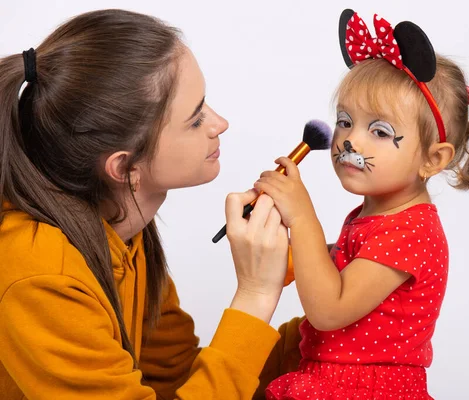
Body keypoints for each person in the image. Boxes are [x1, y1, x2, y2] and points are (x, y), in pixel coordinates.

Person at [0, 9, 291, 399]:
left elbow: (179, 377)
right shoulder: (43, 277)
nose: (219, 123)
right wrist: (256, 295)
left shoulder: (124, 228)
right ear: (125, 167)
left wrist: (341, 328)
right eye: (194, 118)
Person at [253, 10, 469, 399]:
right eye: (344, 121)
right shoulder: (377, 215)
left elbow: (329, 309)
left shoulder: (411, 232)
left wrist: (302, 216)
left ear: (433, 159)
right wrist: (288, 254)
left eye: (379, 131)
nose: (350, 141)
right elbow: (344, 274)